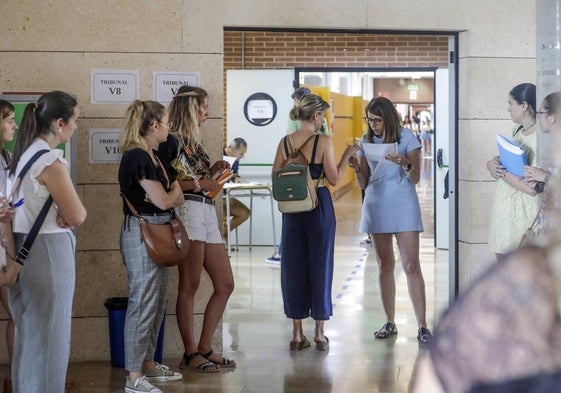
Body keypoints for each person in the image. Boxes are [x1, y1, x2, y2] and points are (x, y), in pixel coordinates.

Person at [7, 91, 87, 393]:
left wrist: (62, 210)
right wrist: (71, 213)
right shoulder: (50, 161)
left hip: (22, 249)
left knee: (29, 336)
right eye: (74, 120)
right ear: (58, 123)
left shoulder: (23, 154)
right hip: (49, 253)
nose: (76, 127)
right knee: (52, 338)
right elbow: (77, 214)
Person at [272, 93, 358, 351]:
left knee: (293, 268)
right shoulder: (323, 141)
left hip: (292, 208)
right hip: (318, 205)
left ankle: (297, 333)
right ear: (316, 116)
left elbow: (276, 176)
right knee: (321, 266)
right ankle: (319, 332)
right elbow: (333, 178)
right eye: (324, 115)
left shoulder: (285, 142)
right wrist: (347, 155)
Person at [159, 86, 236, 372]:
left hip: (206, 210)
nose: (208, 112)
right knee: (189, 285)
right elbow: (164, 182)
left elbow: (197, 177)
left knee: (225, 283)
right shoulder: (169, 141)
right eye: (204, 107)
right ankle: (191, 352)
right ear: (192, 108)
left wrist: (214, 172)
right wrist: (199, 183)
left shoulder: (195, 142)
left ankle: (205, 346)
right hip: (187, 210)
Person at [348, 96, 431, 344]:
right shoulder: (366, 141)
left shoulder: (407, 138)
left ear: (389, 118)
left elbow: (415, 178)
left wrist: (404, 162)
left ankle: (423, 325)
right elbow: (364, 182)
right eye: (370, 120)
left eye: (377, 120)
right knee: (385, 264)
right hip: (376, 202)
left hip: (403, 202)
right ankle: (389, 321)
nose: (373, 125)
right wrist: (355, 168)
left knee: (411, 265)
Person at [118, 100, 184, 393]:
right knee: (142, 302)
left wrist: (174, 194)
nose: (170, 127)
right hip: (142, 232)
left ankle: (146, 363)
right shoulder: (136, 158)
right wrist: (175, 193)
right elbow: (164, 200)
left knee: (157, 303)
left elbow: (170, 194)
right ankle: (133, 377)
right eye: (167, 121)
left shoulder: (154, 156)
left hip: (160, 232)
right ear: (154, 125)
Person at [486, 83, 539, 260]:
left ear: (524, 106)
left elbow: (533, 188)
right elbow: (509, 160)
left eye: (511, 103)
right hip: (504, 208)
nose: (508, 109)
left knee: (521, 271)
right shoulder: (517, 130)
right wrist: (492, 164)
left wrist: (503, 173)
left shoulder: (541, 137)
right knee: (503, 270)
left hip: (524, 212)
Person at [522, 92, 561, 235]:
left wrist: (545, 176)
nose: (537, 116)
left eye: (540, 112)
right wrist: (540, 183)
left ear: (552, 118)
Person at [0, 100, 19, 393]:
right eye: (10, 120)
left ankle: (19, 374)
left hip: (5, 242)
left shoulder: (8, 156)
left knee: (19, 314)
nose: (14, 126)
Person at [222, 137, 250, 238]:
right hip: (215, 196)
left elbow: (234, 173)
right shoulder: (218, 154)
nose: (242, 156)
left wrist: (237, 178)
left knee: (245, 213)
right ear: (232, 149)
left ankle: (222, 236)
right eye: (241, 154)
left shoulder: (235, 158)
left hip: (225, 195)